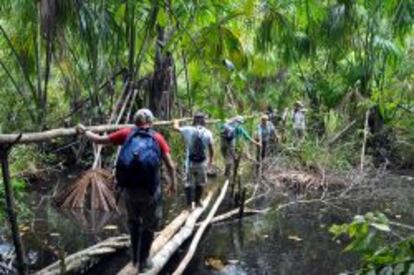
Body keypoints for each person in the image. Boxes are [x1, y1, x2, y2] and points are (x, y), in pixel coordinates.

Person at [76, 108, 176, 272]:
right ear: (150, 122)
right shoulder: (157, 138)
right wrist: (173, 184)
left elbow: (98, 139)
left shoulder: (126, 134)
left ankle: (134, 256)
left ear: (135, 121)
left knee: (134, 222)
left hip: (129, 190)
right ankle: (143, 261)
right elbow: (170, 165)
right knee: (149, 226)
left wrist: (84, 130)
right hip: (150, 191)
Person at [172, 112, 214, 210]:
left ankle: (189, 205)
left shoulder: (188, 130)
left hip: (189, 163)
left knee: (188, 183)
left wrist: (176, 121)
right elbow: (211, 150)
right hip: (202, 163)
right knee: (200, 183)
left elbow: (175, 128)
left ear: (194, 120)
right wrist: (210, 163)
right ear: (204, 121)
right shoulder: (208, 133)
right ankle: (198, 201)